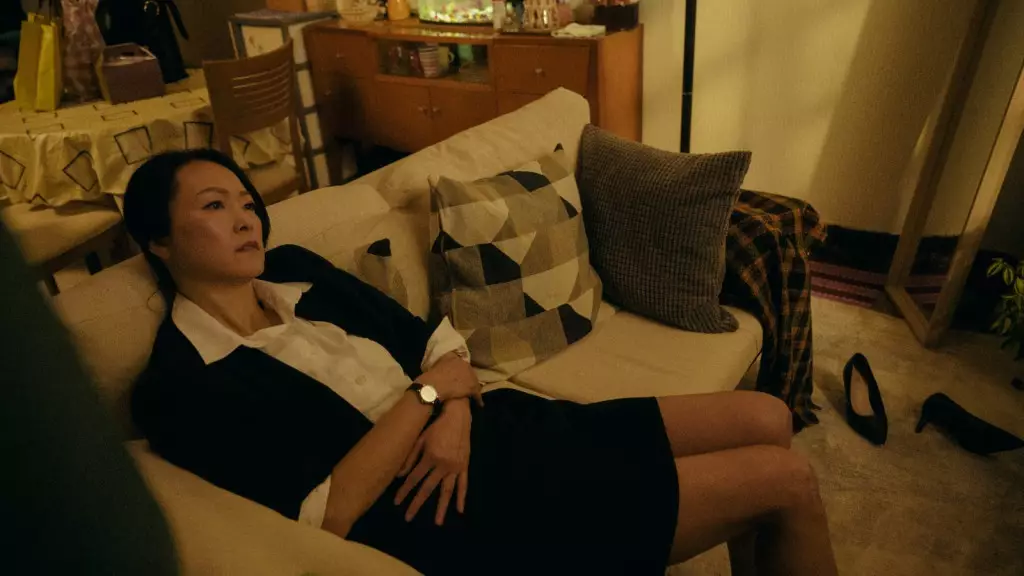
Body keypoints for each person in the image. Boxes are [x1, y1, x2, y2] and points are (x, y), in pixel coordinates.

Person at [124, 149, 838, 576]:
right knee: (788, 481)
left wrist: (455, 408)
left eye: (247, 202)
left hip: (501, 430)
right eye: (214, 206)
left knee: (767, 415)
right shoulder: (180, 384)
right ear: (157, 240)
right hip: (459, 509)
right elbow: (327, 513)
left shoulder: (296, 270)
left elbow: (437, 340)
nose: (246, 218)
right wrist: (430, 398)